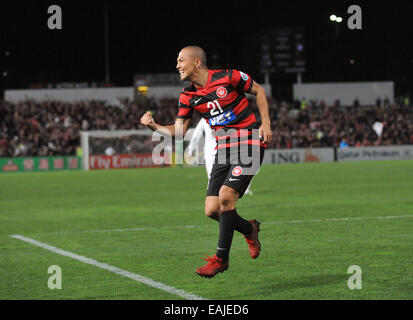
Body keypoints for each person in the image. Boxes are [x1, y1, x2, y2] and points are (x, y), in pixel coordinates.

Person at [140, 45, 272, 278]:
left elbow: (259, 90)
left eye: (181, 60)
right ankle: (249, 229)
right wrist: (154, 126)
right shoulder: (187, 95)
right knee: (212, 210)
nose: (178, 65)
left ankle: (221, 259)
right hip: (223, 149)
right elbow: (179, 131)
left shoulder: (229, 76)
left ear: (197, 62)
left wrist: (266, 124)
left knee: (226, 198)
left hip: (249, 141)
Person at [186, 118, 253, 195]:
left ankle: (219, 195)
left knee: (216, 176)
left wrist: (190, 151)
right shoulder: (218, 117)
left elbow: (196, 135)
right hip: (218, 151)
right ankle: (217, 196)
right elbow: (196, 135)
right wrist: (190, 149)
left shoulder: (208, 118)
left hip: (219, 151)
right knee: (234, 171)